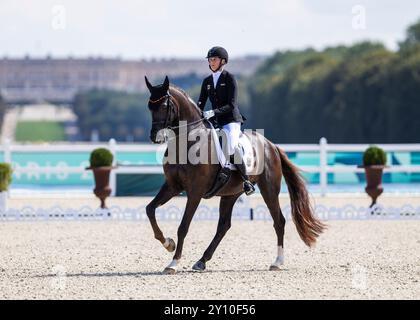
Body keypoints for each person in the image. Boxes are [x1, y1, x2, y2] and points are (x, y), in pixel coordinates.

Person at [197, 46, 255, 195]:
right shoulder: (207, 81)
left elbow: (232, 104)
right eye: (210, 59)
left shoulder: (229, 78)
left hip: (231, 121)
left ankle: (246, 181)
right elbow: (200, 104)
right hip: (215, 122)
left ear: (223, 61)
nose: (211, 62)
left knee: (230, 146)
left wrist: (213, 112)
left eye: (214, 59)